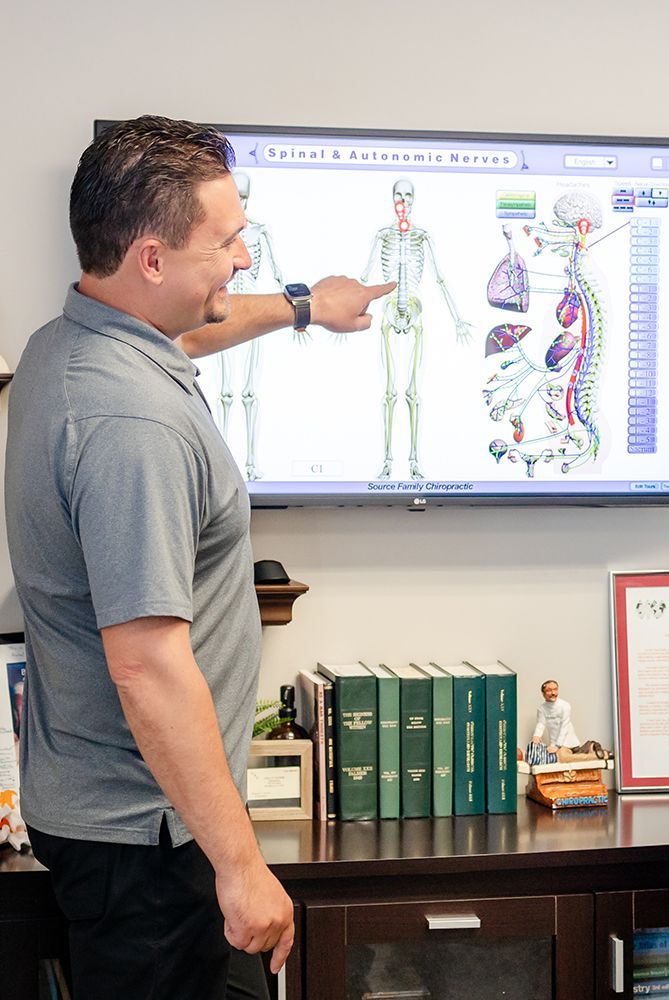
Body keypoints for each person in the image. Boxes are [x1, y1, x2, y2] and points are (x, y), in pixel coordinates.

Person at [5, 115, 392, 1000]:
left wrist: (305, 307)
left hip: (115, 820)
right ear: (150, 258)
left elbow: (188, 330)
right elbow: (145, 664)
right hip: (156, 846)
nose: (242, 261)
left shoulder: (67, 344)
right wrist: (241, 865)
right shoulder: (128, 428)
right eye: (227, 243)